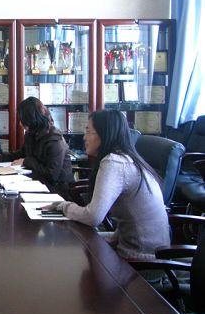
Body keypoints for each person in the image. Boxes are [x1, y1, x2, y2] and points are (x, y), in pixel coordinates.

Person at [45, 109, 170, 260]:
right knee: (69, 241)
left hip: (141, 259)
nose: (84, 137)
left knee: (65, 250)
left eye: (89, 131)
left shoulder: (114, 162)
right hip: (143, 248)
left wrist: (63, 206)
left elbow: (93, 217)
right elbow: (130, 219)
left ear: (105, 134)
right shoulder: (126, 158)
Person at [8, 97, 73, 198]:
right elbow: (22, 153)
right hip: (37, 184)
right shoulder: (31, 133)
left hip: (57, 191)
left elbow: (52, 175)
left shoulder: (55, 140)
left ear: (32, 119)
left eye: (23, 120)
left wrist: (26, 161)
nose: (20, 124)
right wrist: (0, 156)